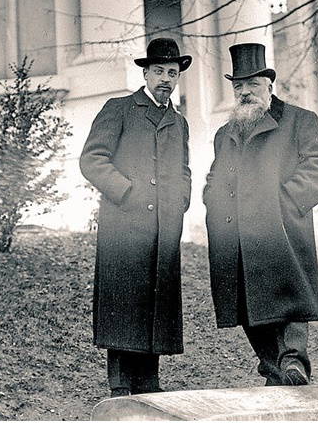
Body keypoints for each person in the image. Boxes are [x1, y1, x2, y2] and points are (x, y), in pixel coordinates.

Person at [202, 43, 318, 386]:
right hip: (236, 233)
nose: (245, 92)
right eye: (239, 86)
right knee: (248, 304)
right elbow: (215, 176)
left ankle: (293, 361)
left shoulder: (299, 120)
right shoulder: (225, 133)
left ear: (269, 85)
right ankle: (274, 369)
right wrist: (213, 201)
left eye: (253, 84)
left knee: (290, 296)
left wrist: (287, 201)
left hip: (280, 226)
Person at [79, 38, 192, 397]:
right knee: (123, 300)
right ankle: (121, 382)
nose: (165, 79)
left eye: (172, 73)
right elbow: (92, 159)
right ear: (145, 73)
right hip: (124, 224)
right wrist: (126, 192)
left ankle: (148, 379)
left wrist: (180, 201)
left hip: (163, 227)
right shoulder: (120, 109)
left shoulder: (179, 122)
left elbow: (184, 170)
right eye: (159, 71)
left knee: (155, 300)